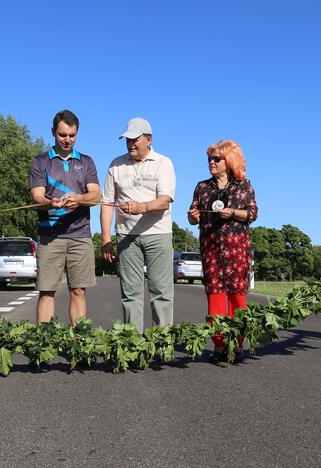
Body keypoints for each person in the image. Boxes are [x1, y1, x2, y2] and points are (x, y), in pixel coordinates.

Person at [100, 117, 176, 333]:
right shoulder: (116, 164)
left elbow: (165, 200)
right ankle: (133, 345)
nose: (130, 143)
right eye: (127, 139)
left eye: (136, 139)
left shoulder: (164, 163)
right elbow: (106, 203)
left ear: (149, 139)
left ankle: (162, 344)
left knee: (161, 292)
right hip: (126, 236)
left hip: (158, 234)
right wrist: (106, 237)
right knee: (130, 293)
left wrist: (141, 207)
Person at [187, 140, 258, 362]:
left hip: (236, 248)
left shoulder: (243, 186)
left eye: (217, 158)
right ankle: (218, 345)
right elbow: (192, 213)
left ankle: (236, 345)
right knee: (215, 296)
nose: (212, 162)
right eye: (210, 158)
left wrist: (234, 212)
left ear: (229, 161)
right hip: (210, 248)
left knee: (237, 297)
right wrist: (192, 216)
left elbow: (253, 214)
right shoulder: (202, 187)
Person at [28, 110, 100, 325]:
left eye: (72, 135)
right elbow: (37, 196)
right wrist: (51, 202)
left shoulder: (86, 162)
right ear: (53, 133)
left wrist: (79, 199)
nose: (67, 140)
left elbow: (96, 195)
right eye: (62, 135)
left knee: (78, 290)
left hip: (80, 234)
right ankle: (43, 345)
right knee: (47, 292)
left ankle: (79, 345)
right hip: (50, 236)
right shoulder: (40, 162)